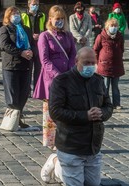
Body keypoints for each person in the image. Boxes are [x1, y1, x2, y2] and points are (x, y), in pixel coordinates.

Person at [40, 47, 113, 184]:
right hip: (71, 145)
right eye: (86, 63)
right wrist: (85, 116)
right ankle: (56, 162)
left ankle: (58, 163)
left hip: (93, 146)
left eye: (93, 63)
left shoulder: (98, 80)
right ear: (76, 61)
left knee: (92, 183)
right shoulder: (62, 81)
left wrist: (102, 113)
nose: (90, 66)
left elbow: (108, 105)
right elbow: (55, 112)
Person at [33, 5, 76, 148]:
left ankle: (66, 139)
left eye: (62, 19)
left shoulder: (68, 35)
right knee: (52, 111)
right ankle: (52, 141)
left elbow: (73, 55)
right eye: (57, 19)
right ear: (50, 19)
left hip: (68, 76)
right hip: (51, 79)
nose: (60, 21)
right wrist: (58, 75)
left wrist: (70, 71)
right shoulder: (44, 36)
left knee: (67, 108)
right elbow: (44, 60)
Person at [0, 6, 34, 129]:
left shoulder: (26, 29)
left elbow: (32, 44)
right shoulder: (5, 29)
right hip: (11, 66)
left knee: (23, 94)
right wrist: (21, 52)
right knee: (13, 94)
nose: (16, 15)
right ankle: (12, 121)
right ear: (8, 17)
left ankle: (18, 117)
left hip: (26, 66)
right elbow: (5, 45)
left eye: (18, 13)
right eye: (13, 14)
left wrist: (31, 52)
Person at [94, 18, 125, 110]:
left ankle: (116, 103)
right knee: (105, 86)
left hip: (116, 65)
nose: (114, 28)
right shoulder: (101, 36)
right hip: (105, 65)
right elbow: (95, 49)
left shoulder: (119, 36)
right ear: (107, 27)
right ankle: (105, 103)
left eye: (115, 26)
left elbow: (122, 49)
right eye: (112, 26)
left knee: (115, 87)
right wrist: (97, 62)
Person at [21, 0, 46, 93]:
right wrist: (30, 35)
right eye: (33, 4)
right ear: (29, 5)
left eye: (37, 4)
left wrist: (41, 35)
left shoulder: (42, 15)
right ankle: (27, 90)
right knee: (28, 68)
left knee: (38, 68)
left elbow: (46, 28)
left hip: (39, 43)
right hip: (28, 44)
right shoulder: (23, 15)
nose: (35, 6)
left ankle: (37, 90)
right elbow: (21, 29)